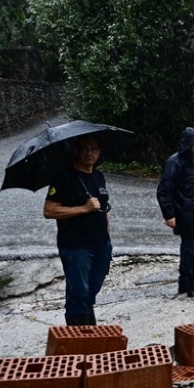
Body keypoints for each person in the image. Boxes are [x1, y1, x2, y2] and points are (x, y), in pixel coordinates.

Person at [43, 136, 112, 326]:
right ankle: (77, 339)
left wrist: (107, 237)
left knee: (91, 291)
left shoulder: (99, 176)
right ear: (76, 151)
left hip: (101, 245)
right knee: (78, 294)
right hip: (76, 247)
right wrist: (83, 208)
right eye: (85, 149)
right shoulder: (63, 178)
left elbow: (103, 209)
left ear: (99, 151)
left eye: (94, 148)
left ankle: (89, 330)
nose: (89, 153)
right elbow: (49, 211)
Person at [157, 127, 194, 297]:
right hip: (185, 213)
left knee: (189, 248)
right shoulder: (175, 162)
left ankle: (185, 282)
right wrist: (169, 214)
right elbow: (164, 190)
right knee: (191, 249)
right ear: (188, 143)